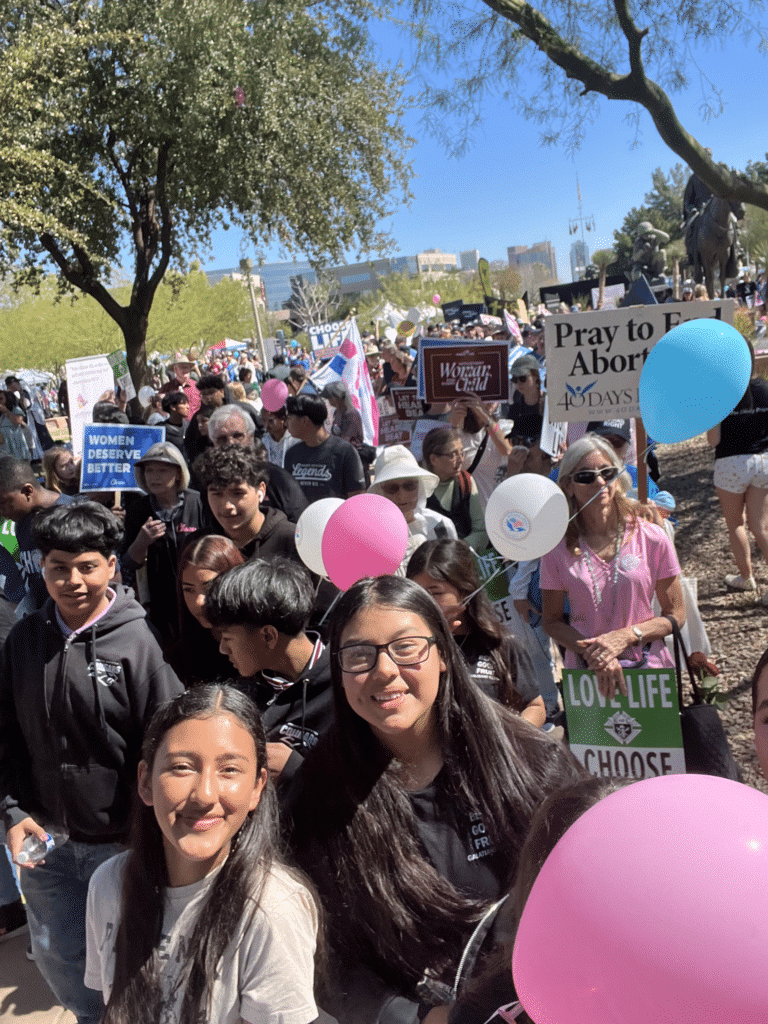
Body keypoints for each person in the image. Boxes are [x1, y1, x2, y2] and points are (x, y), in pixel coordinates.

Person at [287, 575, 581, 1024]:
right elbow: (323, 952)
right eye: (359, 654)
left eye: (406, 647)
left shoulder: (533, 763)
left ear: (443, 654)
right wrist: (419, 1017)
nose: (385, 670)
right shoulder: (316, 798)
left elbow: (589, 893)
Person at [0, 501, 182, 1024]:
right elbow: (5, 735)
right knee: (61, 959)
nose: (73, 581)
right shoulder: (24, 641)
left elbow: (169, 748)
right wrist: (12, 812)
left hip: (123, 845)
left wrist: (150, 829)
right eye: (58, 567)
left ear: (112, 566)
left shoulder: (140, 644)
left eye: (87, 566)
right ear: (41, 567)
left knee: (134, 964)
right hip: (45, 843)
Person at [85, 685, 319, 1024]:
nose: (205, 794)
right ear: (146, 781)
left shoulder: (273, 910)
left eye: (230, 770)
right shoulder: (109, 883)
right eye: (182, 767)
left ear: (257, 787)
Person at [540, 436, 685, 699]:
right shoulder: (556, 548)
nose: (599, 482)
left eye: (607, 473)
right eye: (586, 476)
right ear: (569, 486)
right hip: (588, 676)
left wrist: (628, 635)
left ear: (618, 477)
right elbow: (551, 621)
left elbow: (676, 614)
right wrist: (598, 655)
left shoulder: (651, 537)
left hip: (649, 674)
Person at [204, 558, 334, 785]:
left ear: (268, 636)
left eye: (227, 638)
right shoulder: (246, 689)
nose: (223, 649)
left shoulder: (348, 687)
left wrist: (298, 770)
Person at [406, 539, 545, 727]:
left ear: (465, 591)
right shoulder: (406, 651)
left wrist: (508, 737)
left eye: (435, 592)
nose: (425, 602)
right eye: (418, 593)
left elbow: (534, 706)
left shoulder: (500, 645)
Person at [121, 442, 206, 647]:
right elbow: (129, 563)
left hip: (199, 597)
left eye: (162, 470)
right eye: (149, 470)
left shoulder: (198, 501)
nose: (154, 477)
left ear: (178, 473)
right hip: (160, 605)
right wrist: (142, 541)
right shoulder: (138, 509)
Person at [707, 363, 768, 600]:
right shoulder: (765, 388)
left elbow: (713, 440)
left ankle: (746, 577)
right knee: (760, 527)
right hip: (762, 462)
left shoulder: (718, 394)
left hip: (730, 464)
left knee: (735, 524)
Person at [207, 405, 309, 524]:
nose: (231, 443)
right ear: (213, 443)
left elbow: (301, 524)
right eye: (222, 439)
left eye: (237, 436)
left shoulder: (278, 480)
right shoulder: (207, 482)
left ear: (251, 437)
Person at [194, 446, 298, 560]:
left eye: (237, 493)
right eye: (217, 494)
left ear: (261, 490)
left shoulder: (293, 541)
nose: (227, 506)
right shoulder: (197, 545)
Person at [167, 534, 245, 687]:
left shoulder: (261, 648)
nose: (199, 601)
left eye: (209, 588)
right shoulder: (179, 657)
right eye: (189, 590)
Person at [368, 445, 457, 574]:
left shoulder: (440, 526)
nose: (402, 495)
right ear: (380, 491)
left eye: (409, 486)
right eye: (392, 488)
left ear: (419, 486)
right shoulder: (369, 537)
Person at [0, 455, 73, 610]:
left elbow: (111, 576)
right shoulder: (22, 523)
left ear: (27, 491)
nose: (1, 512)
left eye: (3, 503)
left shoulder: (74, 516)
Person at [285, 393, 366, 502]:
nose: (286, 423)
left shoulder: (345, 452)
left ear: (305, 421)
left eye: (289, 418)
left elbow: (357, 497)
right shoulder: (292, 454)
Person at [422, 427, 489, 552]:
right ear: (433, 459)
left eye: (461, 452)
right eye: (452, 455)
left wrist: (457, 550)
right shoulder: (418, 488)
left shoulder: (466, 481)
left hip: (465, 556)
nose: (461, 459)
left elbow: (481, 531)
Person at [506, 354, 543, 442]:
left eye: (523, 378)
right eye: (514, 379)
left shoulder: (548, 406)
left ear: (535, 377)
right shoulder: (514, 410)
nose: (518, 383)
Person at [321, 380, 364, 448]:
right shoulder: (338, 411)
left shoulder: (351, 415)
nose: (328, 401)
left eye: (329, 398)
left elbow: (346, 441)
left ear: (336, 398)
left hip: (350, 451)